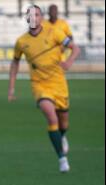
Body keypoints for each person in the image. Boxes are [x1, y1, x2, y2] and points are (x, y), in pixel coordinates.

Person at [8, 5, 80, 173]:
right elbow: (15, 63)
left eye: (37, 14)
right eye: (30, 15)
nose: (34, 17)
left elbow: (75, 48)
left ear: (41, 17)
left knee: (64, 122)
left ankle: (61, 136)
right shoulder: (21, 42)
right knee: (51, 117)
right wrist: (11, 88)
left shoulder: (54, 32)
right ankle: (62, 159)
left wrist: (69, 62)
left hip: (58, 83)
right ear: (27, 18)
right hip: (39, 85)